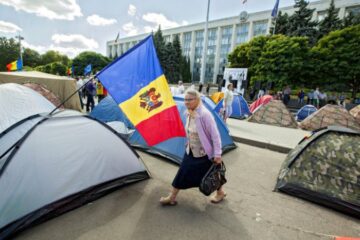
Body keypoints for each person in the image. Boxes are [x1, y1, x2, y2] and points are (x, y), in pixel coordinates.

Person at [159, 89, 225, 205]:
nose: (186, 102)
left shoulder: (205, 114)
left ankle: (220, 193)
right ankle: (172, 197)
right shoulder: (189, 111)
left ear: (197, 100)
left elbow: (216, 136)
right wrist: (189, 141)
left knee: (211, 175)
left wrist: (218, 154)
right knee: (182, 172)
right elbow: (191, 130)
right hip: (191, 150)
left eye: (189, 99)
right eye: (185, 99)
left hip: (205, 153)